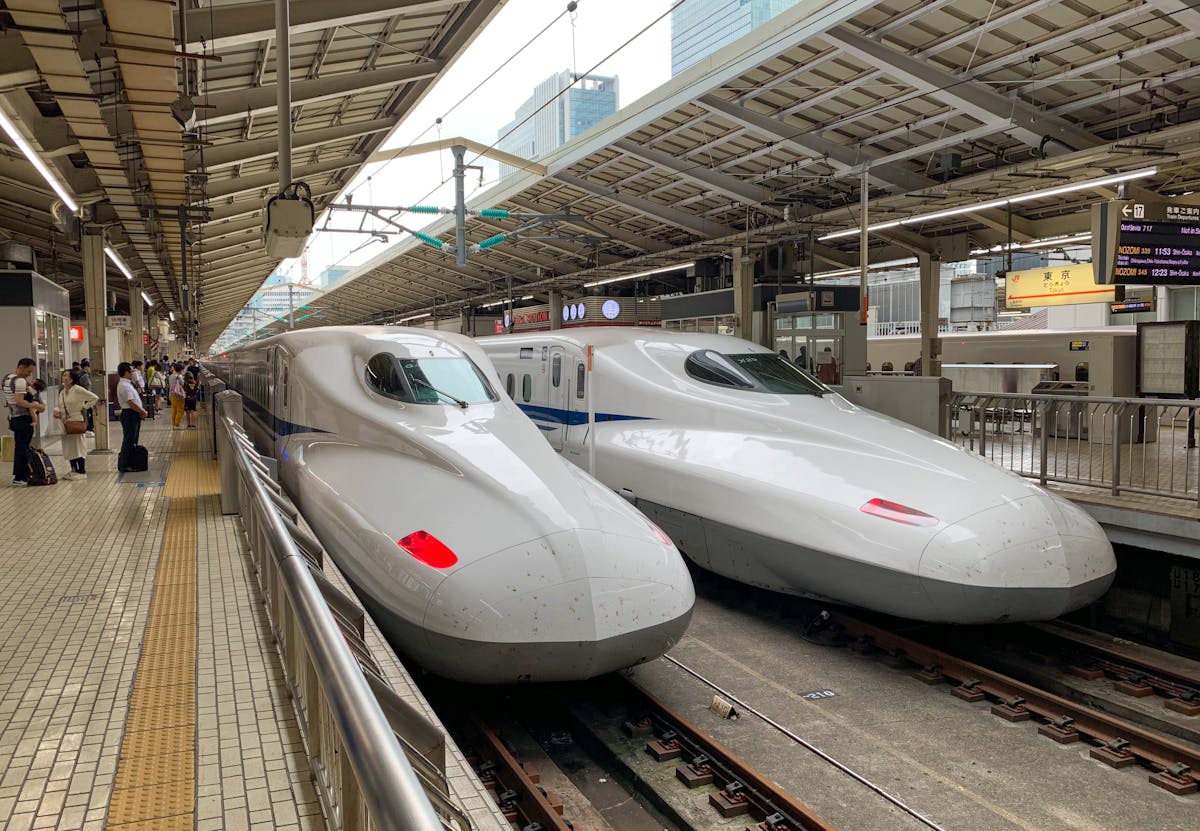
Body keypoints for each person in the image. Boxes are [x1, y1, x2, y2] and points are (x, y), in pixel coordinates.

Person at [55, 368, 99, 479]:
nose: (63, 377)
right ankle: (73, 469)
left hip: (76, 420)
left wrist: (84, 406)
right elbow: (58, 404)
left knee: (78, 446)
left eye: (66, 375)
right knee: (68, 447)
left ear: (71, 378)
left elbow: (94, 397)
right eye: (63, 375)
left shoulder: (77, 389)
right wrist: (56, 410)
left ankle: (81, 470)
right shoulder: (62, 392)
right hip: (65, 422)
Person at [4, 358, 42, 486]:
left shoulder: (7, 378)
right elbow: (19, 401)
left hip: (14, 417)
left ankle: (20, 475)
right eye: (28, 371)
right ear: (21, 367)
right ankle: (20, 477)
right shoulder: (20, 381)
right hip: (23, 418)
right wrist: (37, 407)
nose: (29, 374)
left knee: (20, 446)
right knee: (23, 448)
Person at [116, 362, 147, 471]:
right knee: (129, 440)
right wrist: (142, 410)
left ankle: (131, 462)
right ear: (126, 372)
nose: (133, 373)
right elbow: (131, 402)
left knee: (133, 439)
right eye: (131, 371)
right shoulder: (124, 385)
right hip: (129, 414)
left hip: (132, 414)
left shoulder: (128, 384)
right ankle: (124, 465)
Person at [77, 358, 96, 436]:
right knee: (88, 414)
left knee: (84, 414)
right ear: (86, 367)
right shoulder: (85, 376)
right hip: (85, 399)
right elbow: (87, 390)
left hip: (79, 399)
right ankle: (88, 428)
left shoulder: (78, 374)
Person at [169, 362, 186, 429]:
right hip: (178, 395)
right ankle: (177, 424)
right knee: (180, 410)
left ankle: (174, 424)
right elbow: (182, 384)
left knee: (174, 409)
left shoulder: (171, 375)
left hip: (171, 394)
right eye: (183, 370)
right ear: (181, 370)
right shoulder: (179, 376)